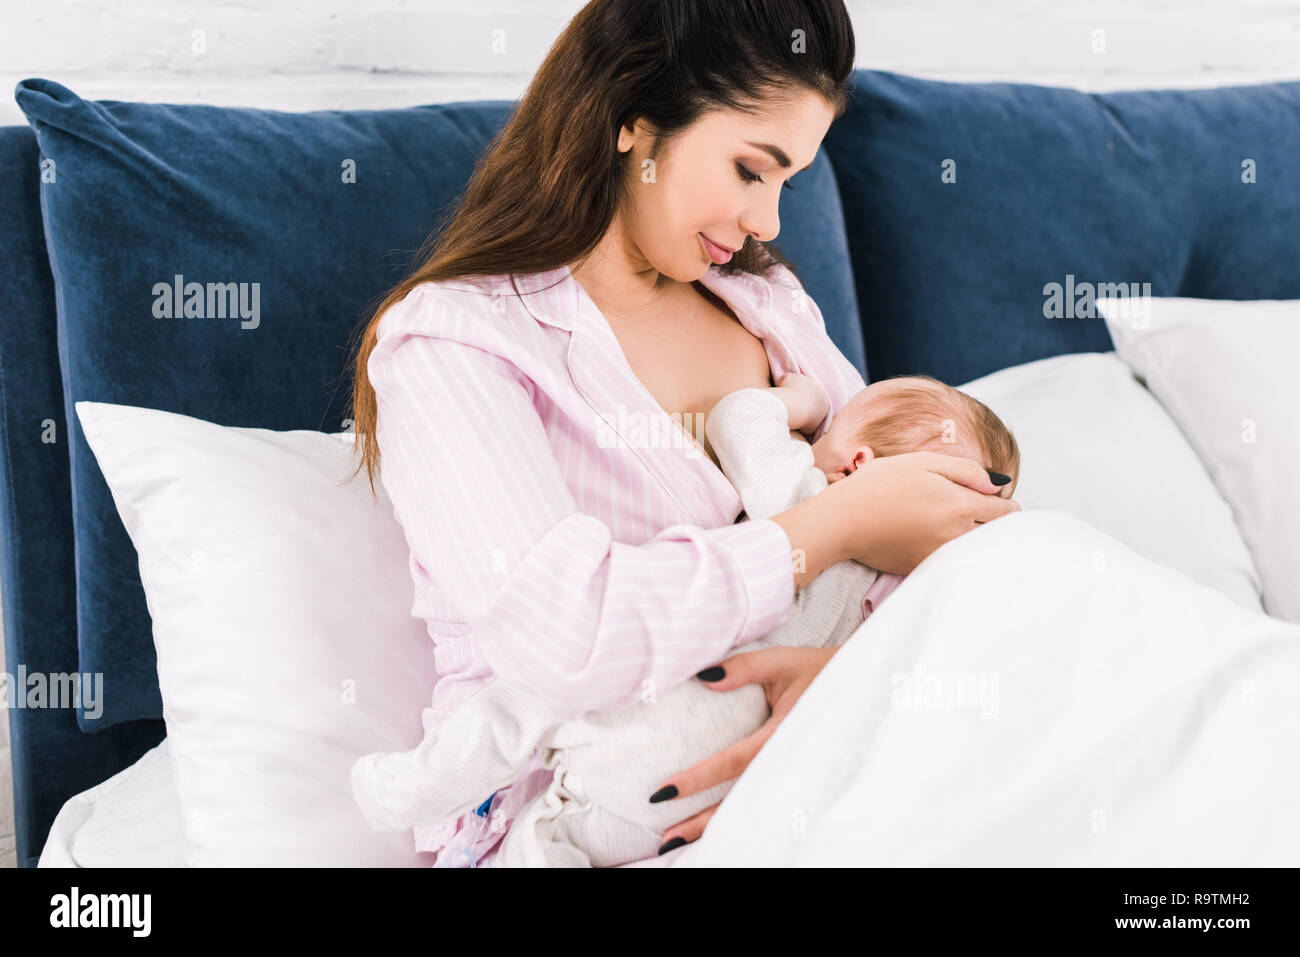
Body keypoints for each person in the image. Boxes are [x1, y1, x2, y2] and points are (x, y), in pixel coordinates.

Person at [345, 0, 1020, 866]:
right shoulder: (457, 346)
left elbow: (926, 551)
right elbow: (565, 638)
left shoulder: (770, 308)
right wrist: (830, 528)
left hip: (822, 786)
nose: (770, 222)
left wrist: (845, 691)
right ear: (634, 120)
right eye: (749, 169)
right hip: (579, 826)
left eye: (788, 181)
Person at [350, 372, 1021, 866]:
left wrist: (802, 403)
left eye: (832, 430)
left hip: (654, 720)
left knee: (527, 700)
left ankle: (408, 787)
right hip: (721, 801)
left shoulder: (809, 495)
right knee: (557, 831)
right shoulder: (909, 592)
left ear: (861, 464)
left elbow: (737, 416)